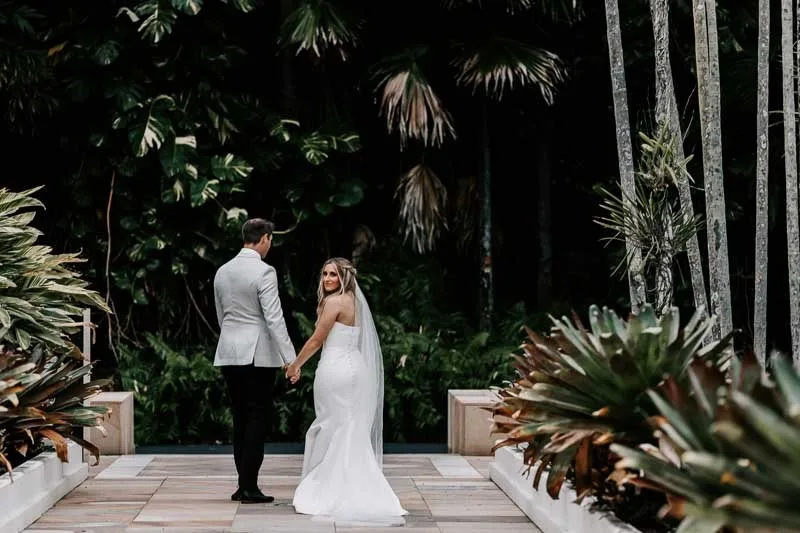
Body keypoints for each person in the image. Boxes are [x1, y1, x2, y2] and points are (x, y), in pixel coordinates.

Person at [285, 257, 408, 526]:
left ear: (344, 278)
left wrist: (295, 364)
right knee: (349, 427)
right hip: (356, 370)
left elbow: (318, 339)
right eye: (325, 274)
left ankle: (333, 489)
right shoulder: (353, 300)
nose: (327, 279)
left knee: (334, 426)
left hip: (337, 370)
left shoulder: (333, 302)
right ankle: (362, 486)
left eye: (333, 275)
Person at [213, 218, 297, 504]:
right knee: (258, 417)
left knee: (240, 416)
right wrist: (291, 359)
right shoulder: (264, 272)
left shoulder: (223, 271)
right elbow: (274, 318)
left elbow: (220, 315)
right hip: (257, 355)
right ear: (265, 239)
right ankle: (249, 486)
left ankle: (242, 484)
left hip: (229, 351)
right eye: (270, 240)